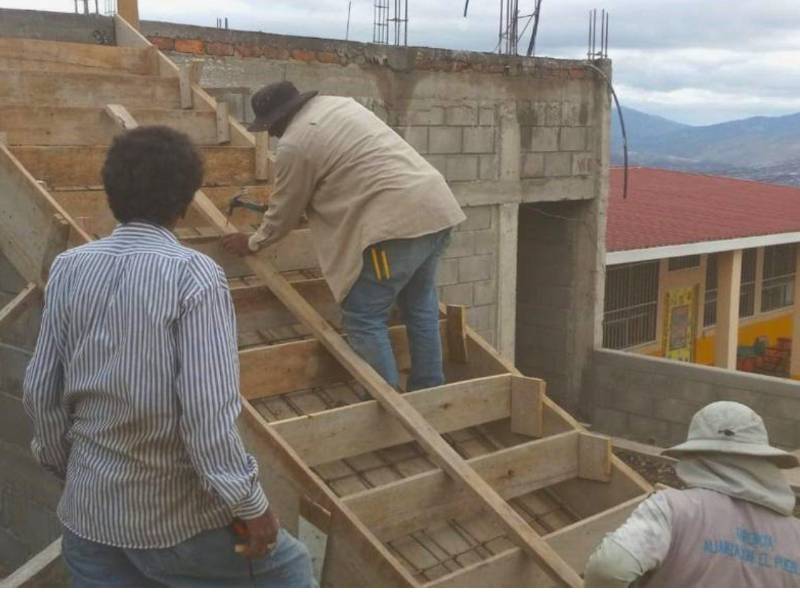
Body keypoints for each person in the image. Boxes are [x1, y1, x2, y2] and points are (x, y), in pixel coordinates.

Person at [23, 126, 313, 588]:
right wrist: (250, 507)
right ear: (184, 205)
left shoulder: (69, 268)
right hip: (177, 530)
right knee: (292, 569)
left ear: (111, 193)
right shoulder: (195, 276)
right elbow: (208, 418)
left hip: (88, 522)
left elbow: (41, 391)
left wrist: (70, 471)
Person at [222, 81, 466, 392]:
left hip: (392, 230)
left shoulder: (295, 144)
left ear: (282, 117)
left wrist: (253, 240)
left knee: (364, 316)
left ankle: (385, 405)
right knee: (420, 305)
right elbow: (347, 167)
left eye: (270, 127)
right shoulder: (340, 105)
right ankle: (429, 389)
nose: (271, 135)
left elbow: (284, 213)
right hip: (436, 209)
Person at [584, 401, 800, 587]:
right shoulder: (795, 534)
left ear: (694, 455)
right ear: (763, 461)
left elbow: (608, 569)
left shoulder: (672, 509)